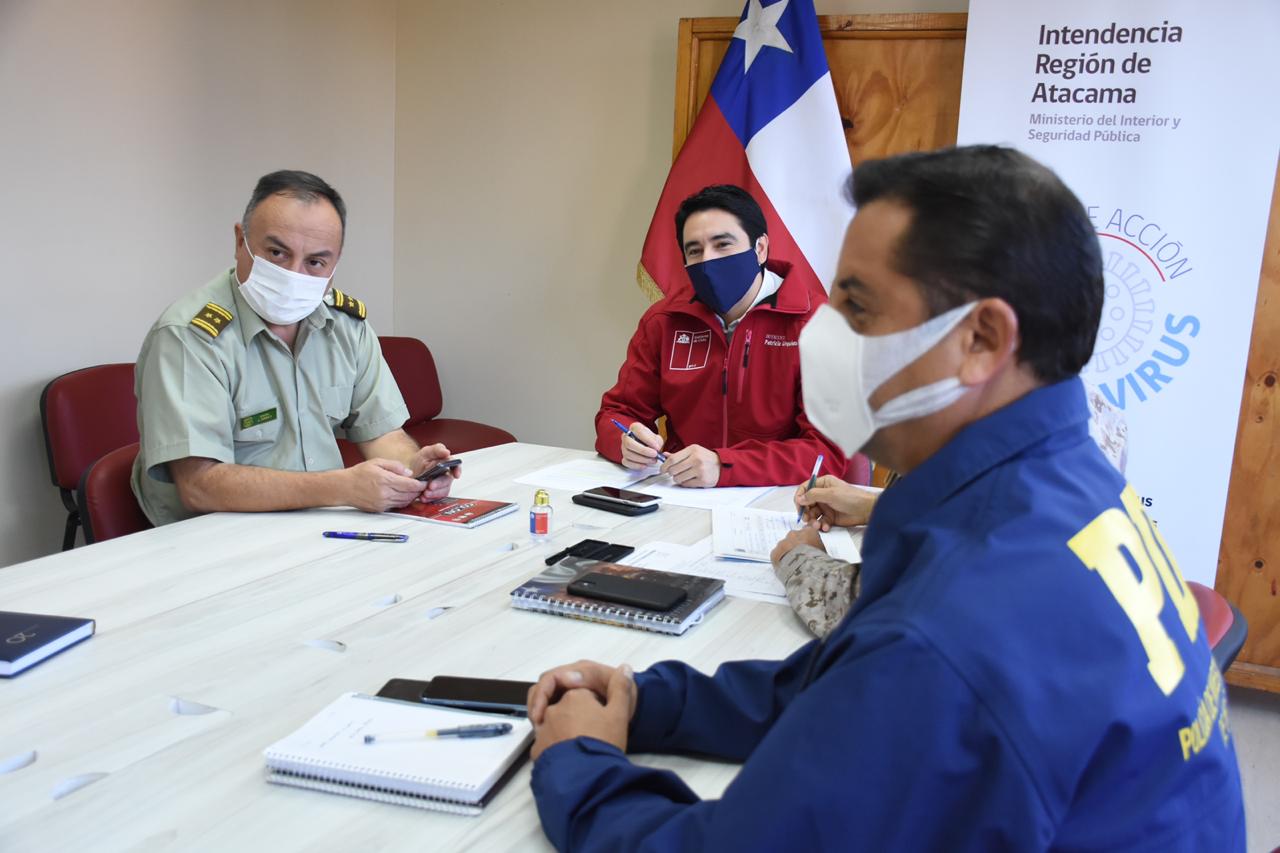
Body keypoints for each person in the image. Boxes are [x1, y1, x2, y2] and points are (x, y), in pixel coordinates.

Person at [526, 146, 1243, 851]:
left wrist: (580, 761)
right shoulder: (1059, 476)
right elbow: (852, 679)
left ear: (983, 338)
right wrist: (653, 700)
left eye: (858, 308)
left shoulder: (953, 627)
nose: (826, 336)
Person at [132, 170, 458, 526]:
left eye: (315, 262)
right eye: (276, 253)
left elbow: (382, 433)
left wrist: (414, 470)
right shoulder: (189, 336)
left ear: (335, 264)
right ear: (241, 241)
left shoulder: (345, 325)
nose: (293, 275)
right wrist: (342, 488)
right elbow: (200, 486)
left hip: (318, 526)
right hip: (215, 539)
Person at [774, 386, 1128, 638]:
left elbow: (888, 607)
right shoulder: (1084, 405)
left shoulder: (981, 433)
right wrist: (873, 506)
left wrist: (800, 559)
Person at [594, 184, 851, 487]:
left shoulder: (820, 325)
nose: (708, 260)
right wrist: (624, 440)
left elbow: (826, 452)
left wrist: (725, 466)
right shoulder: (664, 321)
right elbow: (618, 412)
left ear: (760, 249)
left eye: (722, 244)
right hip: (680, 495)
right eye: (694, 250)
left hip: (780, 504)